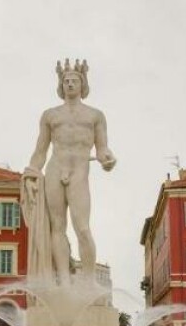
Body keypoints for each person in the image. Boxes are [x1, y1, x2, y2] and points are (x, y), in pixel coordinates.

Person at [21, 59, 116, 286]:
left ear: (82, 84)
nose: (70, 84)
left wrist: (107, 160)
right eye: (66, 81)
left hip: (79, 172)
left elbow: (102, 149)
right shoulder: (50, 115)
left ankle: (89, 281)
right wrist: (32, 174)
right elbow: (40, 150)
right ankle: (63, 281)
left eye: (74, 80)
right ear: (61, 85)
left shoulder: (95, 115)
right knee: (57, 226)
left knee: (82, 227)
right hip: (55, 169)